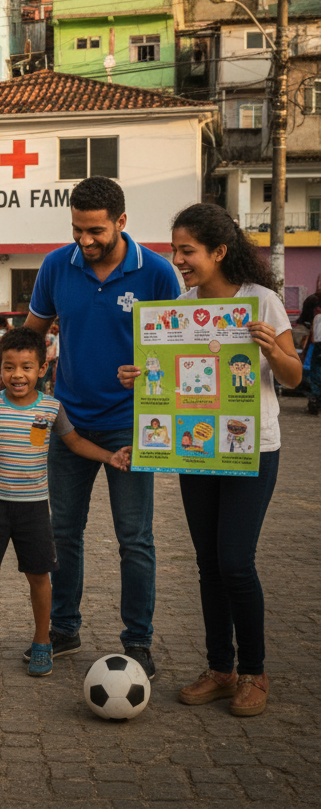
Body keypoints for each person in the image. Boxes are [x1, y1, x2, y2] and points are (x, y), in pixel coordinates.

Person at [118, 203, 301, 716]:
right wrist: (141, 376)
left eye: (187, 250)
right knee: (207, 564)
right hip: (198, 450)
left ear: (219, 252)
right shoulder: (182, 304)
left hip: (252, 448)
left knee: (236, 562)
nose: (177, 259)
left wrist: (271, 349)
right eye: (175, 249)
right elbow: (177, 379)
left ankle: (254, 673)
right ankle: (220, 669)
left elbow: (293, 377)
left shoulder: (261, 302)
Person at [16, 176, 181, 680]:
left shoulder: (156, 273)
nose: (84, 241)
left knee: (135, 538)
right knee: (63, 532)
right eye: (76, 230)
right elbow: (32, 335)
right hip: (68, 425)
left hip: (133, 428)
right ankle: (63, 629)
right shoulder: (54, 266)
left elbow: (182, 352)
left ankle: (139, 642)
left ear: (122, 223)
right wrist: (13, 388)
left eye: (95, 232)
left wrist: (152, 371)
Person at [0, 329, 130, 676]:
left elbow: (75, 442)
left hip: (33, 507)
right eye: (9, 367)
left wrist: (110, 456)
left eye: (27, 367)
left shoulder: (51, 408)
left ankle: (42, 639)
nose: (18, 375)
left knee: (38, 575)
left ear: (42, 368)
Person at [42, 320, 59, 394]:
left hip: (49, 362)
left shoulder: (51, 337)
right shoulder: (52, 337)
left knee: (46, 380)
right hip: (49, 361)